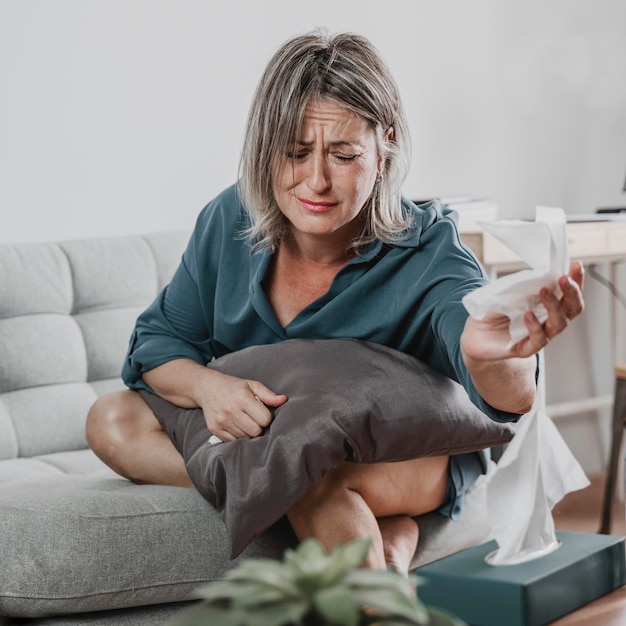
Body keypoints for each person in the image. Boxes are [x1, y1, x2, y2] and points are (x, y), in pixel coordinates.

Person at [86, 31, 585, 575]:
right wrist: (211, 388)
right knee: (112, 419)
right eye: (294, 152)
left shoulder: (429, 249)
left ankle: (371, 572)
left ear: (383, 145)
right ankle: (386, 537)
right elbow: (158, 345)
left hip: (408, 462)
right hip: (267, 442)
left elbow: (509, 395)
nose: (316, 181)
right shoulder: (229, 220)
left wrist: (495, 353)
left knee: (308, 474)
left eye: (344, 154)